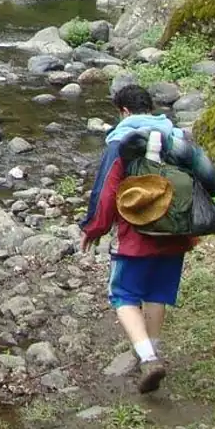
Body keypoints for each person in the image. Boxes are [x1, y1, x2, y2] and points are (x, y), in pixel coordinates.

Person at [80, 84, 195, 394]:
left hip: (135, 234)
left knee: (123, 295)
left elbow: (106, 193)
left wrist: (93, 229)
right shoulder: (178, 137)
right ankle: (152, 350)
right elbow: (204, 183)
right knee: (157, 292)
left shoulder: (121, 142)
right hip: (175, 232)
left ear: (124, 112)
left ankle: (147, 358)